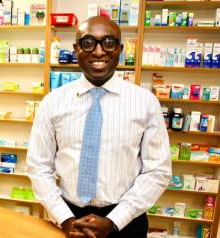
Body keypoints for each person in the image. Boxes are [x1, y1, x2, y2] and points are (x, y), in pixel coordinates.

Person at [26, 16, 171, 238]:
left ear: (120, 49)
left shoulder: (145, 102)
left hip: (126, 222)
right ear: (76, 49)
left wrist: (114, 221)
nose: (98, 51)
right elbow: (38, 166)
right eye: (88, 42)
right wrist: (65, 219)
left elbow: (157, 171)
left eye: (109, 42)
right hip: (68, 218)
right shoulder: (53, 102)